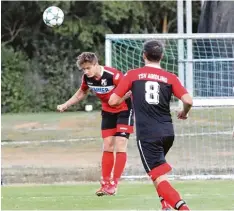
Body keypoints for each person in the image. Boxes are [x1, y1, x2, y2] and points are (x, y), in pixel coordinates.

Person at [109, 40, 193, 210]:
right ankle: (165, 204)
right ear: (162, 56)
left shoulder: (132, 75)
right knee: (157, 171)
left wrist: (129, 93)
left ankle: (183, 208)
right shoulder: (171, 77)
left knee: (158, 175)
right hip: (167, 133)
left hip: (148, 135)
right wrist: (184, 112)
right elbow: (188, 100)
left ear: (143, 55)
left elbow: (113, 101)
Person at [57, 52, 134, 196]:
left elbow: (129, 91)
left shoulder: (114, 75)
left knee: (120, 143)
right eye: (83, 69)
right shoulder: (87, 78)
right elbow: (81, 93)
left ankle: (114, 184)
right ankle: (105, 183)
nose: (86, 71)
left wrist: (119, 99)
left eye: (88, 68)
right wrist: (66, 105)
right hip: (107, 112)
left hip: (124, 110)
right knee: (108, 145)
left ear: (96, 64)